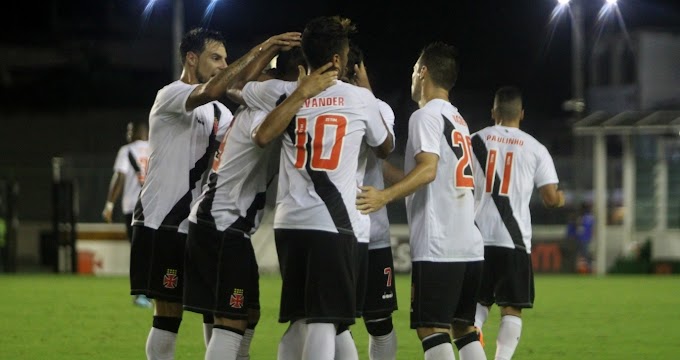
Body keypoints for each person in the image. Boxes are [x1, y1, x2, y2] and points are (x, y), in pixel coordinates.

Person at [129, 27, 301, 360]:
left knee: (220, 309)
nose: (223, 64)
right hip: (160, 221)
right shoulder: (171, 95)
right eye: (215, 58)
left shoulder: (220, 113)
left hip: (197, 223)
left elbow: (238, 137)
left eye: (225, 58)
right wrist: (264, 47)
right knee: (169, 314)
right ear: (191, 59)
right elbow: (215, 90)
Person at [237, 15, 394, 360]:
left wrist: (270, 53)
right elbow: (385, 146)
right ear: (338, 59)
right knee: (324, 321)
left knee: (303, 320)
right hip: (332, 223)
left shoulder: (283, 92)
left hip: (290, 224)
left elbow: (240, 89)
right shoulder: (359, 99)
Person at [183, 46, 337, 360]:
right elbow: (263, 135)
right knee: (233, 319)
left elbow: (240, 85)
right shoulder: (273, 101)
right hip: (223, 223)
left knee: (244, 314)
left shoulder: (257, 98)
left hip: (221, 223)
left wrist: (268, 52)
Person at [356, 41, 486, 360]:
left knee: (431, 329)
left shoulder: (424, 116)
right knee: (463, 329)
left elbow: (428, 171)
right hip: (469, 243)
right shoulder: (458, 120)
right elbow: (429, 176)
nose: (412, 75)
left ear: (423, 72)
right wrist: (381, 169)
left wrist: (383, 196)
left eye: (415, 68)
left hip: (439, 243)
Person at [470, 86, 565, 360]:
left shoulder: (474, 140)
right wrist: (560, 199)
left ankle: (473, 340)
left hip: (476, 237)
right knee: (512, 308)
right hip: (513, 239)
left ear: (493, 112)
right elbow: (549, 197)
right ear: (521, 114)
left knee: (477, 303)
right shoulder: (536, 148)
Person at [336, 41, 399, 360]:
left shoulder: (380, 109)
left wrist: (367, 95)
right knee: (335, 322)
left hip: (371, 231)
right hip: (342, 230)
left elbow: (381, 151)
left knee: (378, 321)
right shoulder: (332, 105)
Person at [102, 120, 151, 308]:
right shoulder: (157, 147)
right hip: (156, 207)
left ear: (139, 131)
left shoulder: (127, 150)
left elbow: (119, 177)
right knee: (153, 250)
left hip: (133, 207)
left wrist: (109, 204)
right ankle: (154, 290)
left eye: (130, 130)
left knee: (138, 251)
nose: (128, 134)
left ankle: (140, 294)